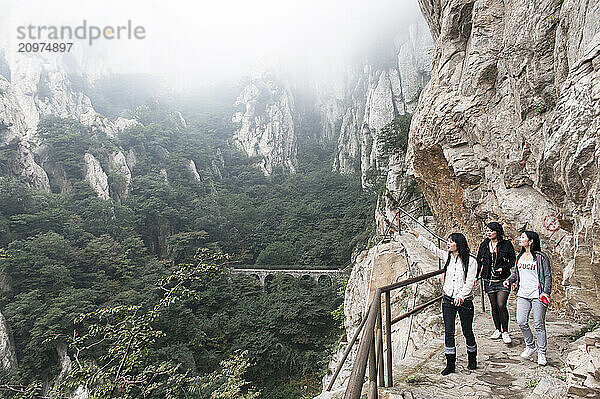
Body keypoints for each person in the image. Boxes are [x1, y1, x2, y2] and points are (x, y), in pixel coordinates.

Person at [407, 229, 478, 374]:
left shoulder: (471, 261)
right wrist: (417, 236)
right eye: (448, 241)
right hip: (448, 299)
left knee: (467, 331)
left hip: (464, 301)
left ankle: (472, 359)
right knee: (449, 331)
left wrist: (461, 296)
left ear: (459, 244)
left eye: (451, 241)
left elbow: (470, 282)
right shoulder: (448, 257)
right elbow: (432, 248)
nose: (448, 244)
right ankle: (450, 364)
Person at [504, 231, 552, 366]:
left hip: (538, 294)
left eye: (523, 237)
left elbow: (547, 276)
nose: (520, 239)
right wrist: (509, 280)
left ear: (531, 241)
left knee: (538, 324)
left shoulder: (541, 257)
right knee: (521, 321)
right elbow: (516, 274)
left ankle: (542, 352)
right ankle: (531, 346)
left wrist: (546, 292)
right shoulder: (520, 256)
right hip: (523, 294)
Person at [477, 222, 516, 344]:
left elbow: (512, 261)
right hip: (489, 280)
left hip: (503, 279)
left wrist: (503, 268)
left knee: (501, 304)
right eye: (487, 231)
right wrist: (475, 275)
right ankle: (497, 329)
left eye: (491, 231)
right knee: (493, 305)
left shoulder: (506, 244)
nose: (488, 233)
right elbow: (479, 261)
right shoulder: (484, 245)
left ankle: (505, 331)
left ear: (497, 231)